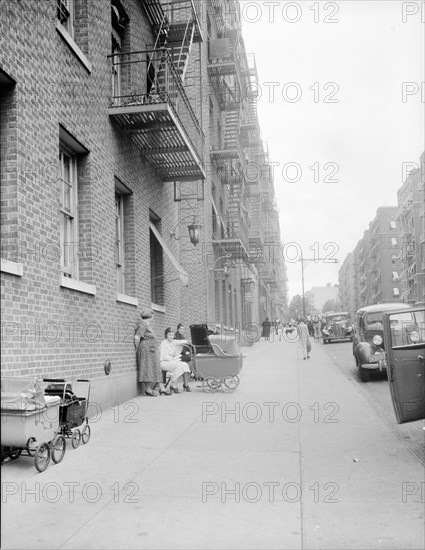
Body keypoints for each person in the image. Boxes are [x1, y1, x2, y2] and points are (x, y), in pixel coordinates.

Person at [134, 308, 171, 396]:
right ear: (149, 316)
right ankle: (149, 389)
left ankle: (161, 388)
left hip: (151, 350)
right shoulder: (143, 324)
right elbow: (137, 337)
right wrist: (137, 348)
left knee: (154, 368)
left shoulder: (147, 324)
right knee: (148, 368)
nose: (153, 316)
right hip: (146, 350)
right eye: (152, 315)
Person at [160, 327, 191, 393]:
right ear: (166, 335)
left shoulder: (173, 342)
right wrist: (172, 360)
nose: (171, 336)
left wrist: (187, 341)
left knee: (185, 364)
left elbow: (179, 342)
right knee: (179, 365)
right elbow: (163, 356)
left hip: (171, 361)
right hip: (164, 362)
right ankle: (173, 385)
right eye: (169, 335)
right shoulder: (163, 343)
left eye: (172, 335)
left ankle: (180, 385)